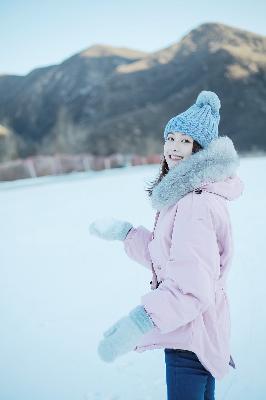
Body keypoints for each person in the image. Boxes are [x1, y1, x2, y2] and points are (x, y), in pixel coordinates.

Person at [89, 90, 244, 400]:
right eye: (170, 138)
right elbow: (172, 260)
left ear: (200, 149)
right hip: (194, 331)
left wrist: (138, 321)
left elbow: (191, 289)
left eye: (184, 141)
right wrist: (127, 233)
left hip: (190, 335)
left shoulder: (194, 204)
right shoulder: (187, 197)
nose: (173, 147)